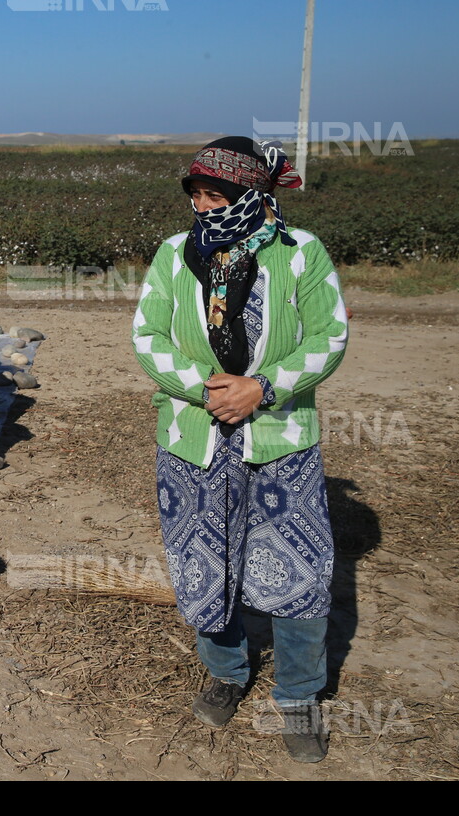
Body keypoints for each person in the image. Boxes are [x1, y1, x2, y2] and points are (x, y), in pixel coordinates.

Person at [131, 137, 350, 763]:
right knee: (204, 559)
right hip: (193, 439)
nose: (203, 206)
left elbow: (329, 334)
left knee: (297, 566)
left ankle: (300, 694)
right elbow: (146, 335)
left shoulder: (301, 252)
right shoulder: (176, 255)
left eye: (215, 194)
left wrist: (264, 387)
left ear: (252, 193)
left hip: (279, 437)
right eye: (196, 194)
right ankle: (227, 673)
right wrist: (203, 389)